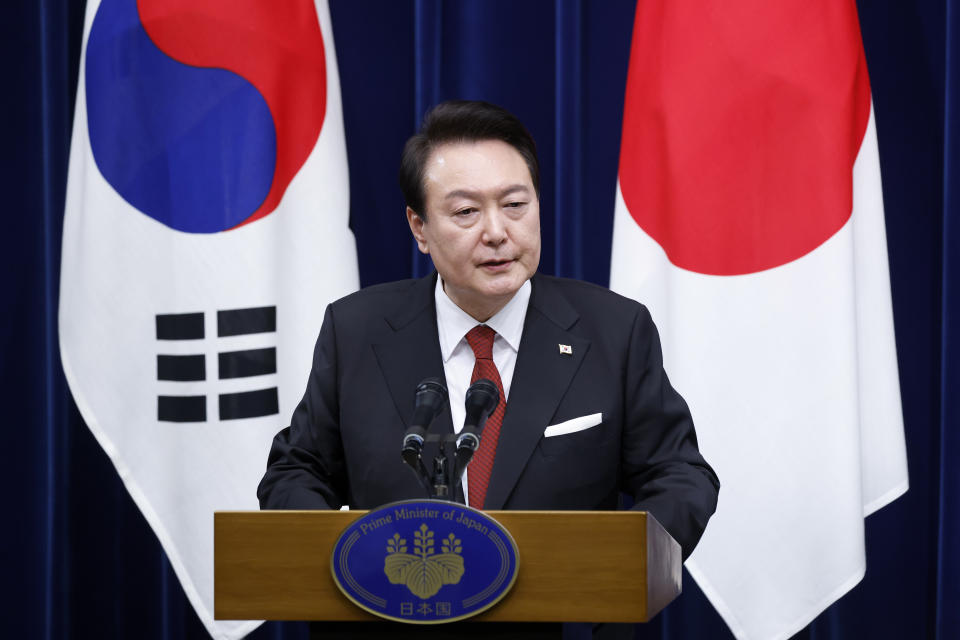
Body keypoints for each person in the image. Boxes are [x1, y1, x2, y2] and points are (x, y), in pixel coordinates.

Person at [258, 100, 719, 562]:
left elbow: (680, 475)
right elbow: (296, 472)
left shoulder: (615, 331)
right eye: (466, 212)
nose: (497, 232)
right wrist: (345, 559)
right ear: (419, 227)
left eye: (516, 205)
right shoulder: (355, 331)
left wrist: (622, 563)